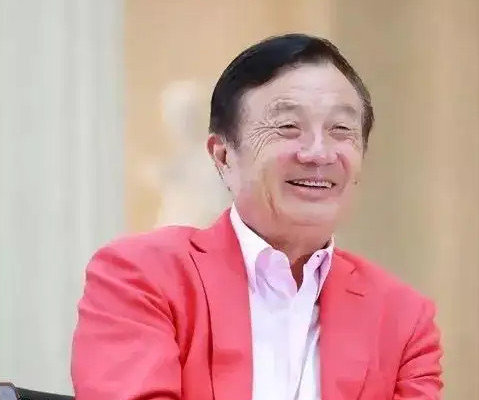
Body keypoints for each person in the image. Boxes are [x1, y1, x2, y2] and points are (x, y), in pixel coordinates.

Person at [71, 33, 443, 400]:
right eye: (288, 127)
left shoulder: (403, 318)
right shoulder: (143, 276)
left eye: (341, 130)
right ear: (223, 157)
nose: (319, 153)